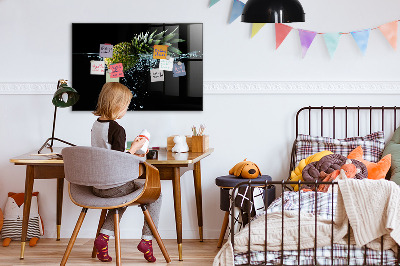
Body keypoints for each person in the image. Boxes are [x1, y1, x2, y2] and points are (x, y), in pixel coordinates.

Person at [91, 82, 161, 263]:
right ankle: (147, 240)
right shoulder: (117, 129)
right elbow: (119, 161)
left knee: (121, 197)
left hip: (97, 186)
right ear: (118, 105)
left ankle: (103, 238)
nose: (126, 110)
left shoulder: (96, 125)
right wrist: (136, 148)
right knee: (156, 194)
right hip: (114, 186)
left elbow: (108, 154)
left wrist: (130, 149)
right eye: (126, 106)